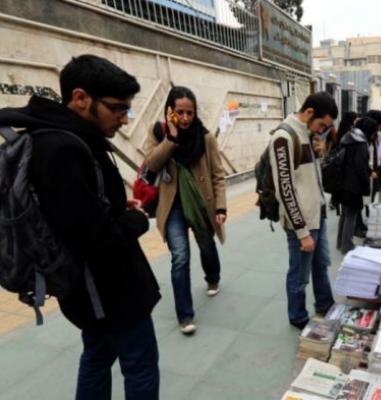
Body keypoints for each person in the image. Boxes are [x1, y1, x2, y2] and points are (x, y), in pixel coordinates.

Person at [0, 55, 160, 399]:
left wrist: (115, 208)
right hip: (106, 289)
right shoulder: (62, 149)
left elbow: (78, 212)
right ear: (80, 98)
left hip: (91, 290)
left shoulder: (65, 137)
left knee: (98, 357)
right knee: (140, 365)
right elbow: (93, 236)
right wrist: (136, 219)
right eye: (117, 108)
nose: (123, 118)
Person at [144, 86, 227, 335]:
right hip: (172, 206)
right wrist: (170, 139)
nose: (185, 118)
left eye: (190, 112)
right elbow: (151, 164)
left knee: (206, 245)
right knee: (180, 256)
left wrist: (220, 206)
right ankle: (185, 314)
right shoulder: (158, 133)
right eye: (180, 112)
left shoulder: (206, 138)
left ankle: (212, 277)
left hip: (201, 203)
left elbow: (218, 174)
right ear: (170, 111)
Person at [269, 92, 338, 329]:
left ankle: (325, 305)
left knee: (321, 265)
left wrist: (320, 152)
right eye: (322, 125)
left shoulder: (308, 133)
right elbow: (285, 189)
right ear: (309, 113)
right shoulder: (283, 137)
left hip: (317, 214)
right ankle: (298, 317)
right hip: (302, 221)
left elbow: (308, 177)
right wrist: (301, 232)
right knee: (300, 275)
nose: (322, 130)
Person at [336, 117, 377, 253]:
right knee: (351, 215)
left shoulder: (349, 138)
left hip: (343, 181)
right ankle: (347, 246)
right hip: (353, 184)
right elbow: (360, 166)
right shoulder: (361, 143)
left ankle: (340, 243)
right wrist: (366, 182)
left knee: (345, 214)